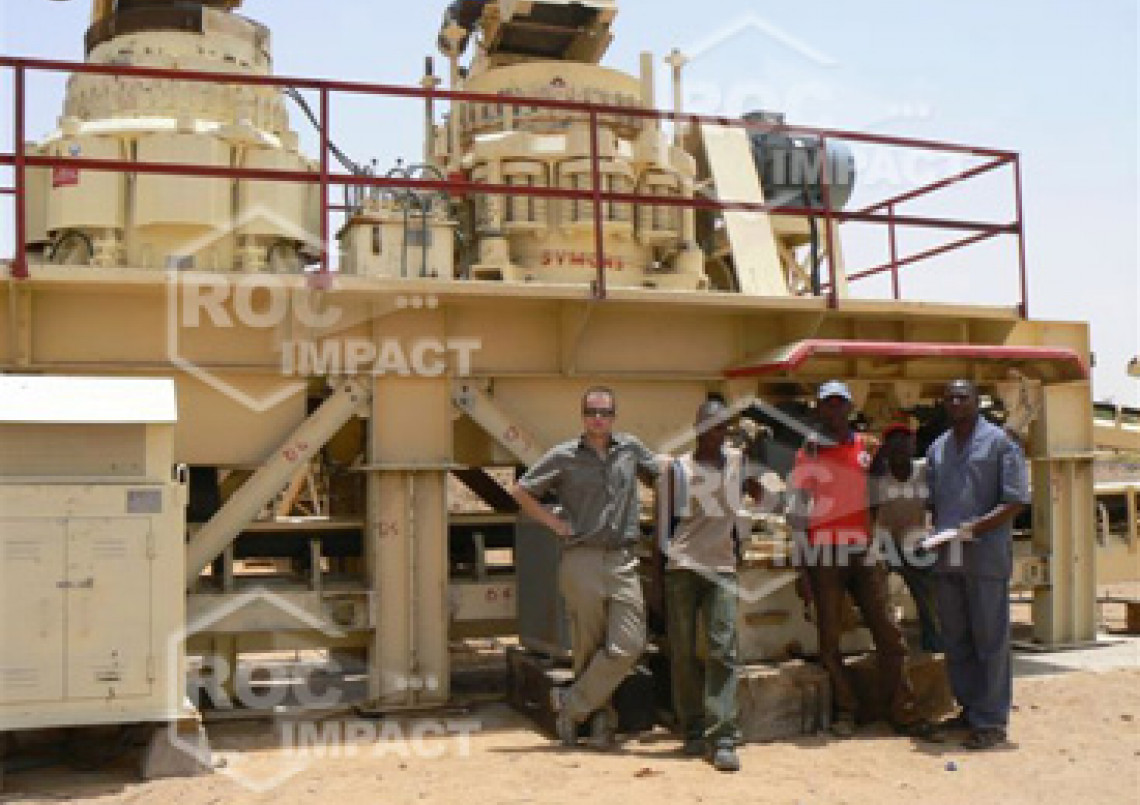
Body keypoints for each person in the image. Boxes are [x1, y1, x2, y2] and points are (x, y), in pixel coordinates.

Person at [510, 386, 662, 749]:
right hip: (582, 559)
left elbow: (662, 473)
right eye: (592, 412)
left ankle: (571, 704)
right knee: (588, 647)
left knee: (629, 644)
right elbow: (521, 491)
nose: (598, 419)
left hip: (623, 559)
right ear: (582, 417)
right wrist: (555, 524)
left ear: (614, 417)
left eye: (605, 413)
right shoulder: (564, 456)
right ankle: (600, 723)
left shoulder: (630, 449)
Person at [788, 381, 930, 738]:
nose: (834, 410)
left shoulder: (867, 448)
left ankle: (903, 710)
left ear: (850, 408)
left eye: (840, 403)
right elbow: (799, 512)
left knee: (889, 633)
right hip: (824, 554)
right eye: (828, 404)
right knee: (830, 639)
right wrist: (802, 566)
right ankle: (846, 710)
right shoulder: (809, 453)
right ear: (819, 409)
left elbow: (883, 489)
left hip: (863, 551)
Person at [660, 400, 762, 772]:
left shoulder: (737, 462)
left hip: (722, 568)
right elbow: (662, 528)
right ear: (697, 428)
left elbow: (759, 493)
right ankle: (692, 729)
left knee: (722, 649)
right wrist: (658, 581)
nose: (714, 433)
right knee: (683, 653)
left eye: (721, 427)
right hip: (682, 569)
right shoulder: (678, 470)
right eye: (708, 426)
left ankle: (723, 737)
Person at [926, 379, 1029, 750]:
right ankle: (969, 709)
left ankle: (992, 721)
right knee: (956, 638)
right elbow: (932, 501)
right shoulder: (938, 448)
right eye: (950, 397)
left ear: (977, 401)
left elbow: (1015, 500)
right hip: (948, 556)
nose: (956, 402)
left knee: (990, 639)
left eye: (963, 397)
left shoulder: (1001, 443)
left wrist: (973, 528)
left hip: (985, 555)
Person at [869, 422, 942, 653]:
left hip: (917, 542)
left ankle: (934, 641)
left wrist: (933, 537)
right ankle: (884, 643)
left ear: (913, 445)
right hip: (885, 544)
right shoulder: (878, 478)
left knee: (928, 593)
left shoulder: (925, 471)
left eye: (904, 440)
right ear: (886, 449)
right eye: (893, 442)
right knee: (874, 592)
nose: (899, 446)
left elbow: (938, 506)